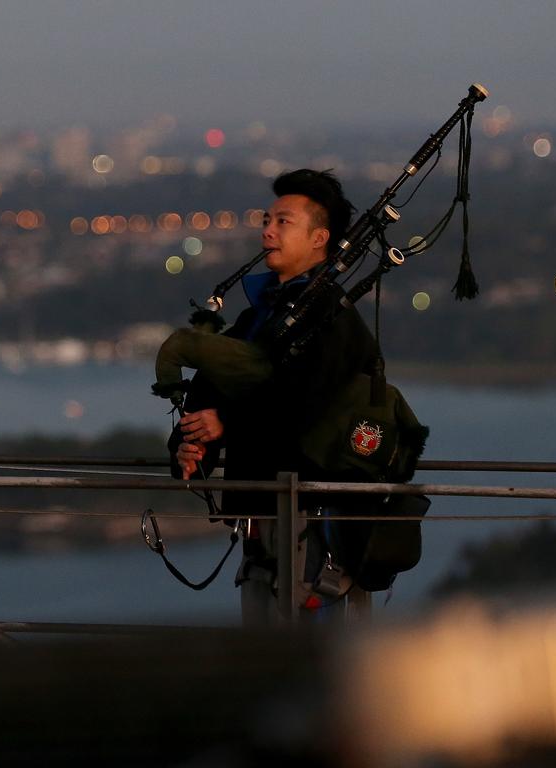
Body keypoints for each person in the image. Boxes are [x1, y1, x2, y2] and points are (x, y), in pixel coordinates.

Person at [169, 168, 380, 626]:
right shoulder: (256, 320)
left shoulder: (336, 322)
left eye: (283, 221)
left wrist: (227, 423)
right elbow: (207, 392)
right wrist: (191, 446)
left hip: (316, 526)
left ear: (320, 237)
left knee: (304, 675)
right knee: (265, 663)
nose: (267, 230)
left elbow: (312, 410)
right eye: (268, 219)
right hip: (260, 526)